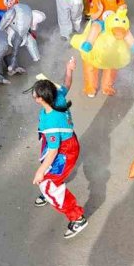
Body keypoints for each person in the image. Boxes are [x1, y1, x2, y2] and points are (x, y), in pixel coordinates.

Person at [29, 57, 89, 239]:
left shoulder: (51, 121)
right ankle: (53, 186)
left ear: (41, 99)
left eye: (35, 94)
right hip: (60, 142)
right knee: (48, 171)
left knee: (47, 184)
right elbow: (66, 84)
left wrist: (40, 172)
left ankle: (77, 217)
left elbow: (54, 151)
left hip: (64, 150)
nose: (33, 95)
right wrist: (69, 69)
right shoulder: (58, 96)